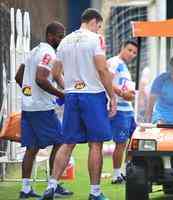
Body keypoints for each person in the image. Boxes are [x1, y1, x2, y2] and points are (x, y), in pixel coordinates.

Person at [39, 8, 116, 200]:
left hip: (72, 96)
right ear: (94, 22)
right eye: (99, 26)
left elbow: (55, 73)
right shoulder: (95, 39)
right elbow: (102, 70)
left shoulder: (65, 41)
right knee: (96, 144)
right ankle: (95, 192)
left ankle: (51, 186)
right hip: (93, 95)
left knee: (67, 143)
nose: (99, 30)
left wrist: (70, 88)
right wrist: (112, 96)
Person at [14, 21, 73, 199]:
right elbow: (41, 78)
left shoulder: (33, 51)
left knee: (31, 148)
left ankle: (25, 189)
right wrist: (60, 94)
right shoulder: (48, 52)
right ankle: (52, 185)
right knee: (62, 142)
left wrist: (28, 94)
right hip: (42, 108)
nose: (61, 41)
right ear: (51, 36)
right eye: (60, 37)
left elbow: (19, 76)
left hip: (28, 107)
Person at [107, 40, 138, 184]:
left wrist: (131, 94)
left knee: (134, 142)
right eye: (130, 50)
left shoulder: (125, 67)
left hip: (128, 109)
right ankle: (116, 175)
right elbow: (106, 80)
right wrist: (121, 93)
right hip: (119, 109)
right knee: (121, 142)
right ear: (122, 48)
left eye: (134, 52)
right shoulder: (114, 62)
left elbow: (126, 89)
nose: (132, 54)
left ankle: (126, 171)